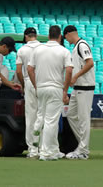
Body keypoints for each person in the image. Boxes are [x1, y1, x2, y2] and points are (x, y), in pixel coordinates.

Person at [27, 25, 73, 161]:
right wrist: (65, 90)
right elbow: (69, 71)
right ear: (60, 37)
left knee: (41, 116)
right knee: (51, 121)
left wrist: (36, 85)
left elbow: (30, 69)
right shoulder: (64, 51)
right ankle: (45, 152)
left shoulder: (38, 49)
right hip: (55, 88)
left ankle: (49, 149)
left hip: (41, 88)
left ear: (48, 36)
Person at [62, 25, 95, 160]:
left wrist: (75, 76)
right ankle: (82, 145)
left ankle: (83, 150)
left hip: (85, 87)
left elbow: (90, 63)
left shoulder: (82, 45)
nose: (66, 40)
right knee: (71, 115)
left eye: (66, 37)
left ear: (69, 34)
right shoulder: (76, 47)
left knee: (83, 118)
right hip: (77, 87)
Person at [16, 27, 42, 158]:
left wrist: (23, 84)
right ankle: (44, 147)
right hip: (42, 80)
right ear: (35, 35)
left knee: (31, 115)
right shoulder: (43, 48)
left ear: (26, 36)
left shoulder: (22, 50)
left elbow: (19, 71)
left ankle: (33, 149)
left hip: (29, 81)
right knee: (42, 114)